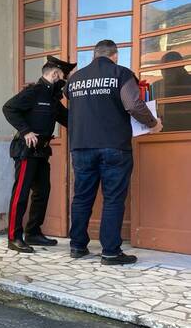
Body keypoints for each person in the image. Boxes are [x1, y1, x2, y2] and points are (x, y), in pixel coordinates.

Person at [66, 39, 163, 265]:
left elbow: (70, 98)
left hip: (81, 146)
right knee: (113, 199)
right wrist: (152, 124)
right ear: (115, 55)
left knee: (81, 197)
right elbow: (133, 105)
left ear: (94, 54)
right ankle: (110, 252)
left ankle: (77, 246)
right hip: (113, 146)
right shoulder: (121, 73)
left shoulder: (74, 79)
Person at [2, 56, 76, 253]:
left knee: (42, 192)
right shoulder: (34, 92)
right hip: (27, 151)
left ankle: (33, 232)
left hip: (42, 151)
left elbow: (69, 119)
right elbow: (9, 108)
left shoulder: (52, 98)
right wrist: (26, 131)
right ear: (55, 74)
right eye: (63, 77)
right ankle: (14, 237)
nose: (64, 81)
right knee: (21, 194)